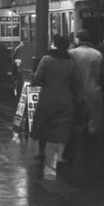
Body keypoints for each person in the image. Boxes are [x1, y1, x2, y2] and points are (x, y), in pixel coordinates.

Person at [29, 35, 81, 168]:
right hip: (65, 98)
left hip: (47, 96)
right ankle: (60, 157)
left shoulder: (47, 59)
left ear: (55, 44)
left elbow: (37, 77)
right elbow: (76, 81)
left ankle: (41, 152)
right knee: (64, 126)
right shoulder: (70, 62)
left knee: (44, 123)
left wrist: (34, 79)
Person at [69, 29, 104, 163]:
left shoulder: (72, 53)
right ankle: (91, 152)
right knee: (94, 122)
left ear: (78, 39)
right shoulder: (97, 54)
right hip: (94, 90)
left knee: (77, 121)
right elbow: (102, 74)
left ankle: (75, 151)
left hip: (76, 92)